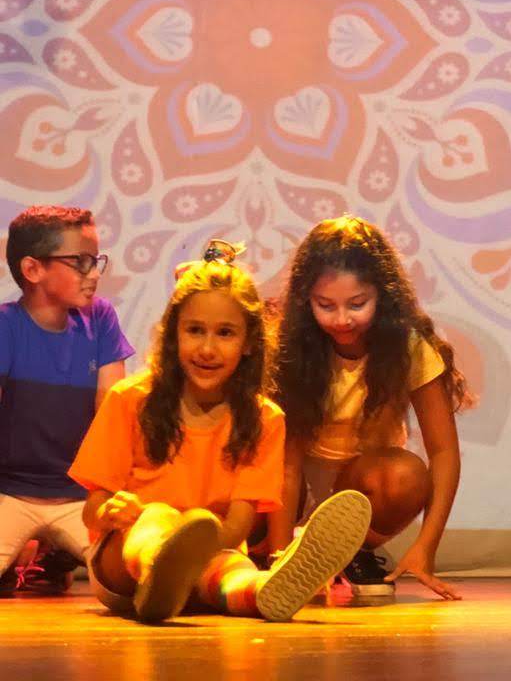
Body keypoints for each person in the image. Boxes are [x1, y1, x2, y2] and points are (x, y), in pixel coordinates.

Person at [69, 255, 369, 622]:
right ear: (174, 334)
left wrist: (196, 550)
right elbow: (92, 510)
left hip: (213, 553)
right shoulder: (129, 400)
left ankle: (263, 590)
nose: (207, 349)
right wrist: (111, 512)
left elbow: (238, 526)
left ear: (249, 342)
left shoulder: (264, 419)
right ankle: (159, 570)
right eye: (195, 330)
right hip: (123, 562)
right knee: (158, 518)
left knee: (234, 571)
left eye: (225, 333)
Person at [270, 216, 471, 603]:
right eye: (325, 305)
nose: (342, 320)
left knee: (405, 476)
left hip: (360, 489)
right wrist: (279, 563)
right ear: (305, 300)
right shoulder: (290, 349)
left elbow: (444, 452)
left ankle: (350, 552)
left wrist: (426, 548)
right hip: (290, 494)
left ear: (383, 295)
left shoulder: (409, 347)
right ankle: (290, 550)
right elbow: (286, 466)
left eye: (357, 304)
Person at [1, 205, 132, 595]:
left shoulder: (101, 319)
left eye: (96, 261)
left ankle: (51, 556)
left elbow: (112, 412)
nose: (94, 274)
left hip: (80, 498)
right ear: (33, 269)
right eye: (80, 262)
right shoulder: (6, 326)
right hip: (11, 493)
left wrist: (106, 498)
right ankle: (34, 556)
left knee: (124, 580)